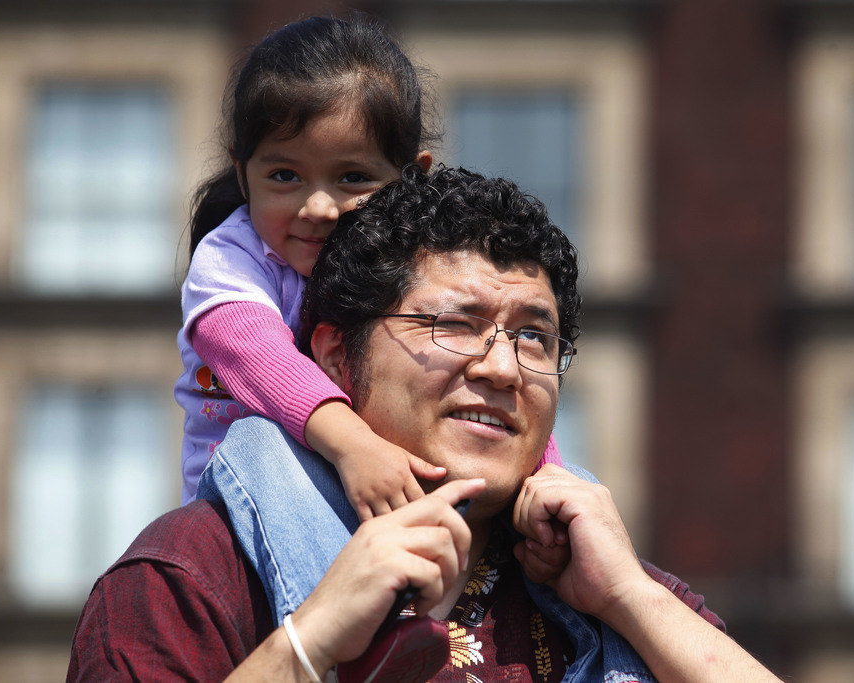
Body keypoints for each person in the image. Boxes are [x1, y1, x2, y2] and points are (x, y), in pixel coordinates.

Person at [69, 166, 780, 682]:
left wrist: (630, 596)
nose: (503, 368)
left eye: (534, 337)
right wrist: (309, 643)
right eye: (454, 324)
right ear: (335, 357)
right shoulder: (191, 577)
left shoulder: (608, 586)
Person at [175, 15, 563, 518]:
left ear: (412, 179)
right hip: (253, 503)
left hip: (372, 478)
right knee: (260, 442)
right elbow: (259, 356)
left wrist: (542, 473)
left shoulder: (419, 267)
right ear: (242, 176)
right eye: (284, 175)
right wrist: (353, 445)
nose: (318, 207)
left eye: (353, 177)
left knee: (571, 487)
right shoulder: (231, 260)